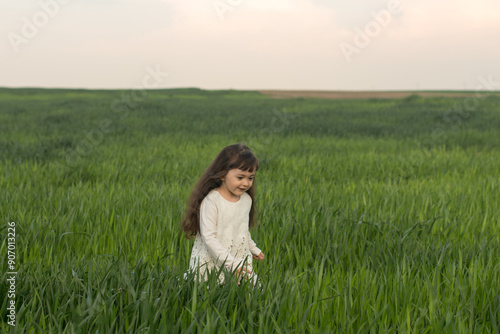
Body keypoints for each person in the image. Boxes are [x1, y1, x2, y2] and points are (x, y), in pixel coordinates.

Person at [180, 143, 265, 286]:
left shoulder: (246, 200)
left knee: (243, 294)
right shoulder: (212, 201)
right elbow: (209, 238)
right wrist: (231, 263)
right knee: (212, 292)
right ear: (222, 175)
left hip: (237, 257)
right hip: (213, 258)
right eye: (240, 177)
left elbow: (242, 230)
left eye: (250, 178)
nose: (246, 183)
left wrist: (252, 247)